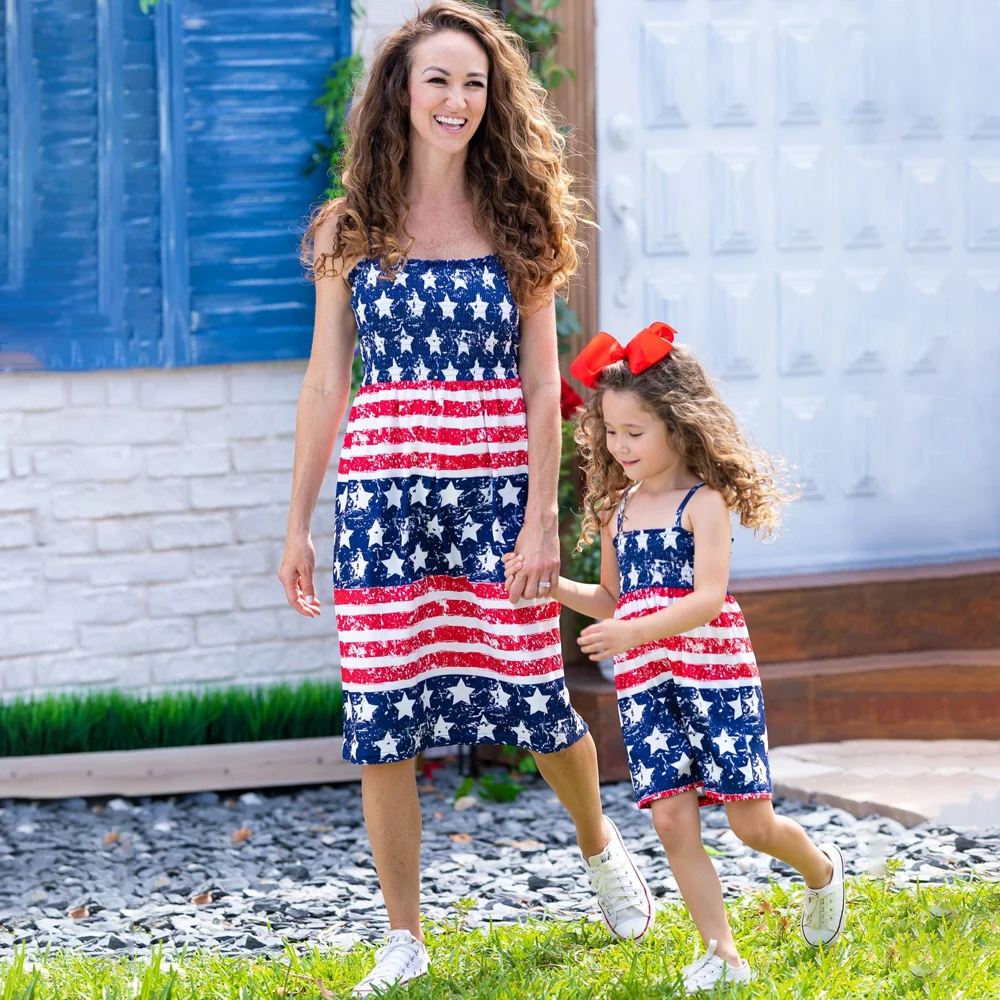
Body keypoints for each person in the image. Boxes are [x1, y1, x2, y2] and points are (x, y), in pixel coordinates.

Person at [279, 3, 652, 994]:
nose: (456, 100)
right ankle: (403, 933)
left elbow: (541, 387)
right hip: (381, 497)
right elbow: (325, 382)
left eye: (474, 83)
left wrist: (540, 518)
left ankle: (596, 842)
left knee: (534, 693)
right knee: (382, 714)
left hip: (494, 494)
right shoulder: (345, 227)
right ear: (401, 92)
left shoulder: (518, 219)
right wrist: (299, 524)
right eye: (438, 80)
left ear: (493, 101)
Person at [503, 323, 847, 994]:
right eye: (610, 431)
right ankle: (723, 954)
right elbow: (610, 597)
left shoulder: (703, 503)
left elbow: (708, 600)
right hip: (647, 685)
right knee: (669, 817)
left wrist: (632, 631)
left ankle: (822, 871)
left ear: (679, 426)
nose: (619, 446)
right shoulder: (617, 512)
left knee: (752, 825)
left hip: (713, 676)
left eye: (636, 432)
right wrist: (547, 582)